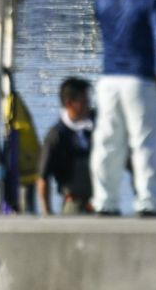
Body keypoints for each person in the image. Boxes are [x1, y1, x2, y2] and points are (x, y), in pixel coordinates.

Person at [90, 0, 156, 216]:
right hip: (140, 79)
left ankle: (106, 201)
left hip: (108, 79)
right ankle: (147, 201)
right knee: (144, 142)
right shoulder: (150, 1)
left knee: (107, 143)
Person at [37, 77, 94, 215]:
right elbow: (43, 178)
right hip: (73, 204)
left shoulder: (97, 124)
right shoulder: (56, 136)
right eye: (84, 101)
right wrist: (47, 213)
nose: (88, 104)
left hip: (99, 203)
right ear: (69, 103)